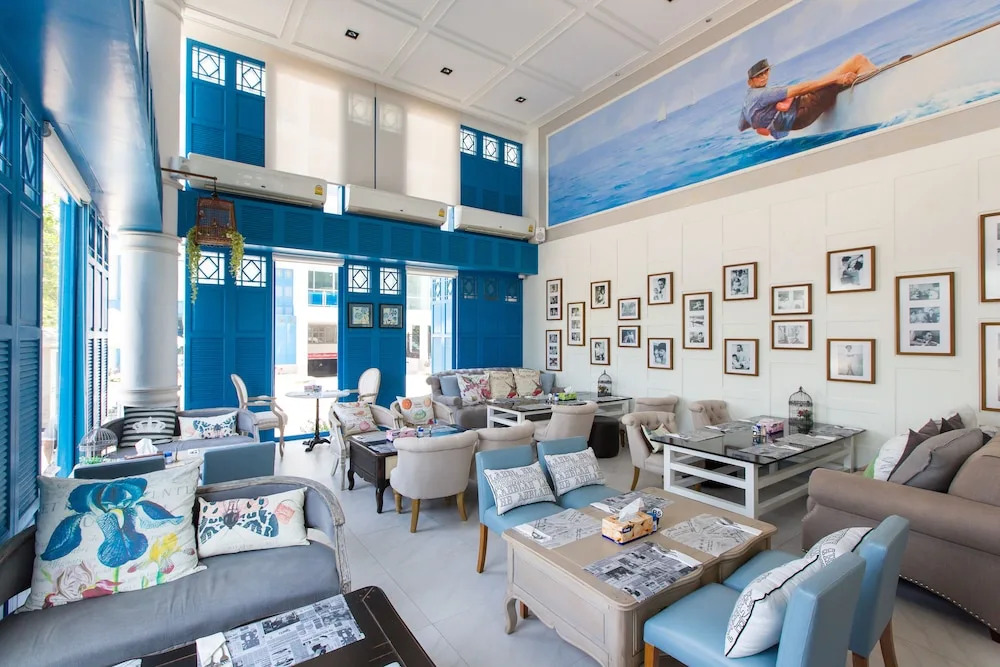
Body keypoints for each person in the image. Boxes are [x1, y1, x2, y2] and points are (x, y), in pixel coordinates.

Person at [738, 54, 876, 139]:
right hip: (804, 110)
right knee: (858, 60)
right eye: (759, 76)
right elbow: (801, 89)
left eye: (766, 72)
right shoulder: (763, 94)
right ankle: (877, 87)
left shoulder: (747, 101)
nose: (764, 77)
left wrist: (766, 120)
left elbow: (742, 125)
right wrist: (837, 79)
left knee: (843, 76)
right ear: (750, 82)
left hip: (797, 117)